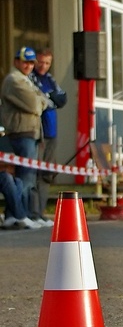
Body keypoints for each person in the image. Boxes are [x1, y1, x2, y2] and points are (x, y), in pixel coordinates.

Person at [1, 47, 48, 225]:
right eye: (25, 61)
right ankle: (20, 215)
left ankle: (21, 214)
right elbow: (35, 105)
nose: (28, 65)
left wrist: (40, 99)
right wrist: (40, 100)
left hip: (31, 133)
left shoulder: (26, 80)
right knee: (24, 178)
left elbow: (42, 100)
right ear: (16, 62)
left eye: (31, 63)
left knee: (27, 178)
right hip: (20, 133)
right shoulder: (14, 80)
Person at [30, 49, 67, 223]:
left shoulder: (50, 79)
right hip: (39, 132)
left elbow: (62, 99)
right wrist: (51, 98)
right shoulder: (32, 78)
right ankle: (34, 211)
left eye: (47, 63)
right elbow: (42, 98)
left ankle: (41, 212)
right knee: (34, 173)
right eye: (40, 62)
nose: (43, 66)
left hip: (53, 131)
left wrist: (51, 98)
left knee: (46, 174)